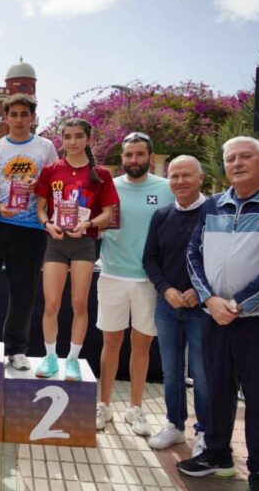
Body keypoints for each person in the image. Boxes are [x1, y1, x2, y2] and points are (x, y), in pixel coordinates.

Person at [178, 137, 259, 491]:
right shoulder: (214, 206)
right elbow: (193, 254)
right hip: (216, 316)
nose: (237, 163)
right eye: (231, 158)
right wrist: (210, 300)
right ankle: (217, 454)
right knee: (217, 389)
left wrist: (239, 304)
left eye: (245, 156)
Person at [0, 94, 57, 365]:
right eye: (13, 114)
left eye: (24, 114)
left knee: (23, 292)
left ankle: (16, 349)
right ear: (5, 118)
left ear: (33, 118)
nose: (18, 120)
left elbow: (53, 188)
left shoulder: (46, 147)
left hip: (30, 228)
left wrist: (36, 187)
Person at [95, 132, 173, 437]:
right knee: (110, 343)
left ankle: (135, 408)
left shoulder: (167, 189)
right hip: (112, 275)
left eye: (139, 155)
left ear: (151, 158)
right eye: (128, 155)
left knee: (141, 346)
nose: (133, 160)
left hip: (149, 280)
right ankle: (104, 404)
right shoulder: (109, 187)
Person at [34, 119, 117, 379]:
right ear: (62, 139)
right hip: (56, 243)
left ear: (88, 139)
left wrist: (88, 224)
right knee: (51, 304)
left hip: (84, 242)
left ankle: (72, 359)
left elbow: (108, 213)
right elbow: (40, 208)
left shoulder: (100, 174)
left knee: (80, 303)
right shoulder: (50, 170)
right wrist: (48, 224)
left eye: (78, 136)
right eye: (67, 136)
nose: (72, 142)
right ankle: (50, 357)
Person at [142, 155, 209, 455]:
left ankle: (206, 433)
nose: (180, 182)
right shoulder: (162, 215)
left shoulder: (215, 212)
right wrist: (165, 289)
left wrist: (200, 290)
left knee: (203, 373)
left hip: (204, 307)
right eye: (174, 176)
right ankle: (175, 425)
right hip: (168, 305)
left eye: (186, 175)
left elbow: (222, 260)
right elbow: (150, 259)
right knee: (171, 371)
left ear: (200, 179)